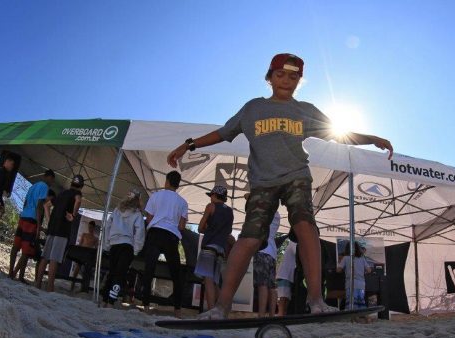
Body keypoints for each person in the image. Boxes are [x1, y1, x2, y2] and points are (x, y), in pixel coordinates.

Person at [167, 53, 393, 319]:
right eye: (280, 75)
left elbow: (339, 133)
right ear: (270, 77)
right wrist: (188, 144)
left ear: (300, 81)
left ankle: (316, 301)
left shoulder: (304, 110)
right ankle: (221, 306)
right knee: (249, 239)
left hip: (296, 176)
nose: (287, 80)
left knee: (305, 226)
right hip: (262, 182)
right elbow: (222, 133)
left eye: (294, 76)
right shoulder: (253, 109)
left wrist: (371, 138)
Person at [141, 170, 188, 317]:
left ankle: (146, 305)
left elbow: (149, 219)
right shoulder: (182, 202)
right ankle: (178, 309)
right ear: (178, 185)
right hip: (171, 236)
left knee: (149, 270)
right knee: (176, 273)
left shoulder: (155, 196)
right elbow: (181, 226)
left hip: (155, 233)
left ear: (166, 181)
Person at [35, 174, 84, 292]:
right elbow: (78, 201)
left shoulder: (62, 193)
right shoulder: (77, 194)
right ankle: (50, 287)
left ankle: (38, 283)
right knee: (54, 258)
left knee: (45, 257)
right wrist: (73, 214)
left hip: (52, 228)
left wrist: (49, 220)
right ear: (81, 186)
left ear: (71, 183)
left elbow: (46, 205)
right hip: (62, 230)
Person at [8, 169, 55, 281]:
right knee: (26, 250)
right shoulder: (44, 187)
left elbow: (25, 202)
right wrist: (39, 225)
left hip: (23, 216)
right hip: (32, 219)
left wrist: (24, 213)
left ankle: (11, 272)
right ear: (49, 177)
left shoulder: (32, 186)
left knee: (16, 246)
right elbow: (39, 205)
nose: (52, 183)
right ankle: (20, 276)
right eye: (52, 180)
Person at [102, 189, 145, 307]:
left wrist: (107, 244)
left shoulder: (116, 210)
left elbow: (107, 226)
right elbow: (140, 232)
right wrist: (136, 249)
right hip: (127, 246)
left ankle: (104, 300)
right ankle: (111, 301)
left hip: (114, 245)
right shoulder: (137, 214)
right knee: (119, 274)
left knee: (112, 272)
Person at [194, 185, 234, 310]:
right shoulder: (230, 211)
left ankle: (211, 310)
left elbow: (200, 228)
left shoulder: (210, 206)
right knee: (216, 282)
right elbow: (228, 234)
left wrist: (210, 229)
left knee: (208, 280)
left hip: (209, 246)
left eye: (211, 195)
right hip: (221, 249)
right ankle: (221, 309)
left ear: (215, 195)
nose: (210, 198)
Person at [254, 211, 281, 317]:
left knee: (262, 285)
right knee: (272, 286)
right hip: (272, 252)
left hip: (263, 250)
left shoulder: (266, 208)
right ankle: (271, 315)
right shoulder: (277, 215)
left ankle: (261, 315)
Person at [337, 241, 371, 310]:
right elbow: (369, 270)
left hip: (350, 284)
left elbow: (338, 270)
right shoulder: (362, 258)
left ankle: (354, 318)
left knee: (351, 304)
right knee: (361, 303)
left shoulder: (346, 258)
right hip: (361, 284)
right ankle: (363, 317)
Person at [69, 220, 99, 292]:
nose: (89, 228)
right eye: (89, 227)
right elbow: (80, 244)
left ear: (94, 228)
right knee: (76, 269)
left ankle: (83, 287)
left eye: (91, 227)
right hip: (81, 254)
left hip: (88, 256)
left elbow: (96, 248)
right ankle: (72, 285)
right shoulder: (84, 234)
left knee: (86, 271)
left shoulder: (95, 238)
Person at [276, 239, 297, 316]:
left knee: (287, 298)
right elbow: (296, 252)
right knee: (283, 297)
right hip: (284, 274)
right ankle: (280, 315)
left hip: (288, 274)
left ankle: (283, 315)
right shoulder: (294, 242)